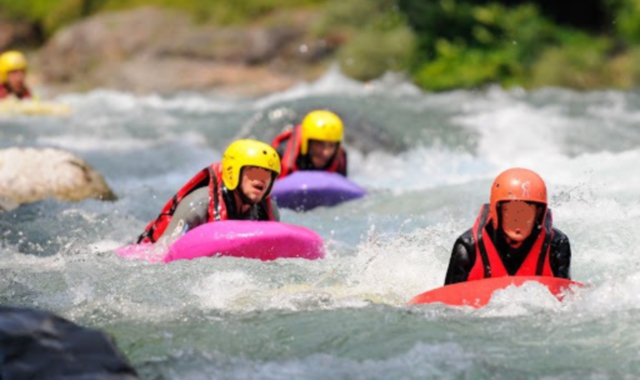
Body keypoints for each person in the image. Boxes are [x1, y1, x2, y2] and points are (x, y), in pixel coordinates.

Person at [137, 139, 282, 244]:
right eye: (254, 172)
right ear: (233, 173)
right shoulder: (199, 205)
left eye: (268, 174)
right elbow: (163, 252)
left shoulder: (269, 211)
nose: (261, 180)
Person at [443, 168, 571, 285]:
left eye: (526, 211)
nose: (518, 219)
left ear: (539, 214)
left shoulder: (557, 245)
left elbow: (564, 301)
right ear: (496, 211)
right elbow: (447, 303)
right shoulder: (468, 246)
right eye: (510, 210)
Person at [271, 110, 347, 178]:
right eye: (319, 144)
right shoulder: (281, 153)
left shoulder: (340, 159)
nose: (326, 153)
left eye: (331, 145)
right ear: (307, 143)